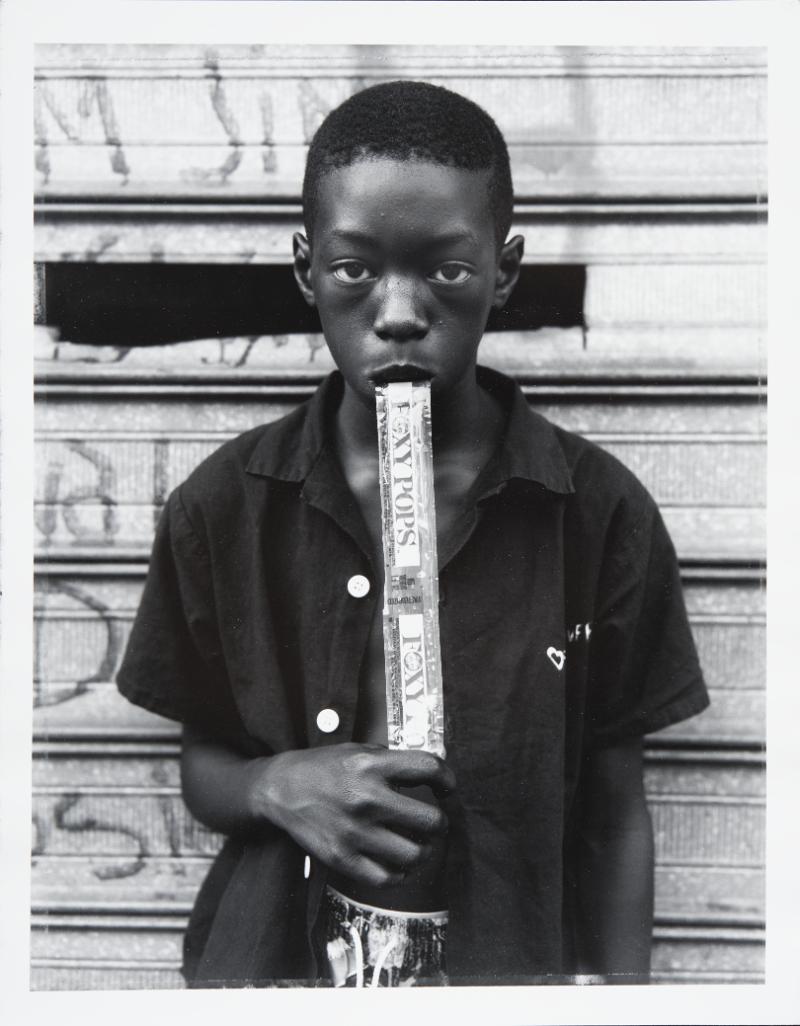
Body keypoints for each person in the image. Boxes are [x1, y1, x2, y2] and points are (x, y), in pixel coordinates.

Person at [116, 80, 709, 988]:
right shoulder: (224, 506)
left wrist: (625, 1002)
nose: (398, 311)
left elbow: (615, 810)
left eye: (446, 270)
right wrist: (279, 786)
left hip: (505, 974)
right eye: (356, 269)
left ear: (503, 271)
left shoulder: (595, 512)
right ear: (305, 268)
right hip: (277, 971)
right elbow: (204, 766)